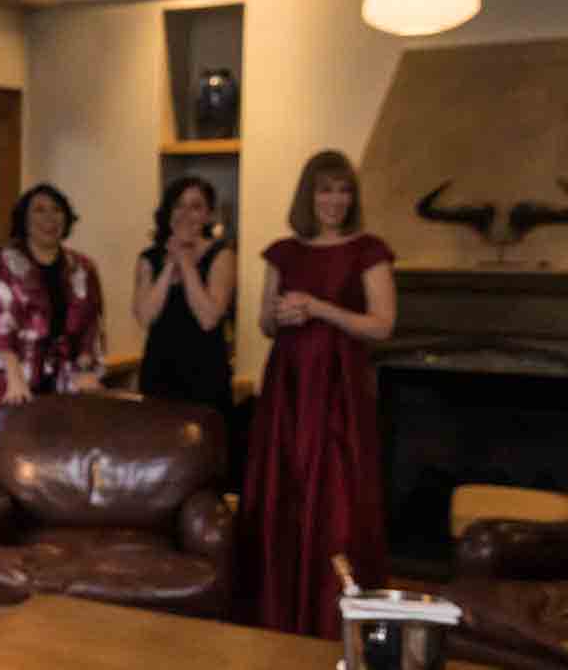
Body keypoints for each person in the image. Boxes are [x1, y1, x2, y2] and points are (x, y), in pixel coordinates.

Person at [236, 149, 396, 639]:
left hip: (339, 393)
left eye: (344, 190)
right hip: (287, 389)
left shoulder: (368, 250)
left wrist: (320, 309)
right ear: (309, 195)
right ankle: (275, 606)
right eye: (325, 190)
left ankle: (334, 612)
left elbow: (382, 325)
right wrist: (280, 316)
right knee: (284, 488)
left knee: (337, 495)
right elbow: (265, 322)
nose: (335, 200)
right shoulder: (282, 252)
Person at [0, 183, 106, 408]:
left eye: (57, 209)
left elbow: (91, 326)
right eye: (39, 210)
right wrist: (14, 377)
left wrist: (85, 370)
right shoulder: (3, 263)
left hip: (68, 384)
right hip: (15, 381)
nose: (49, 218)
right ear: (24, 219)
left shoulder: (83, 268)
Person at [133, 176, 235, 424]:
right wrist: (170, 265)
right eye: (179, 205)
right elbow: (146, 316)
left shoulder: (221, 255)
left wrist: (186, 263)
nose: (186, 213)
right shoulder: (148, 259)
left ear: (209, 216)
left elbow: (209, 318)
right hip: (159, 373)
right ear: (169, 211)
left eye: (196, 206)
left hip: (206, 376)